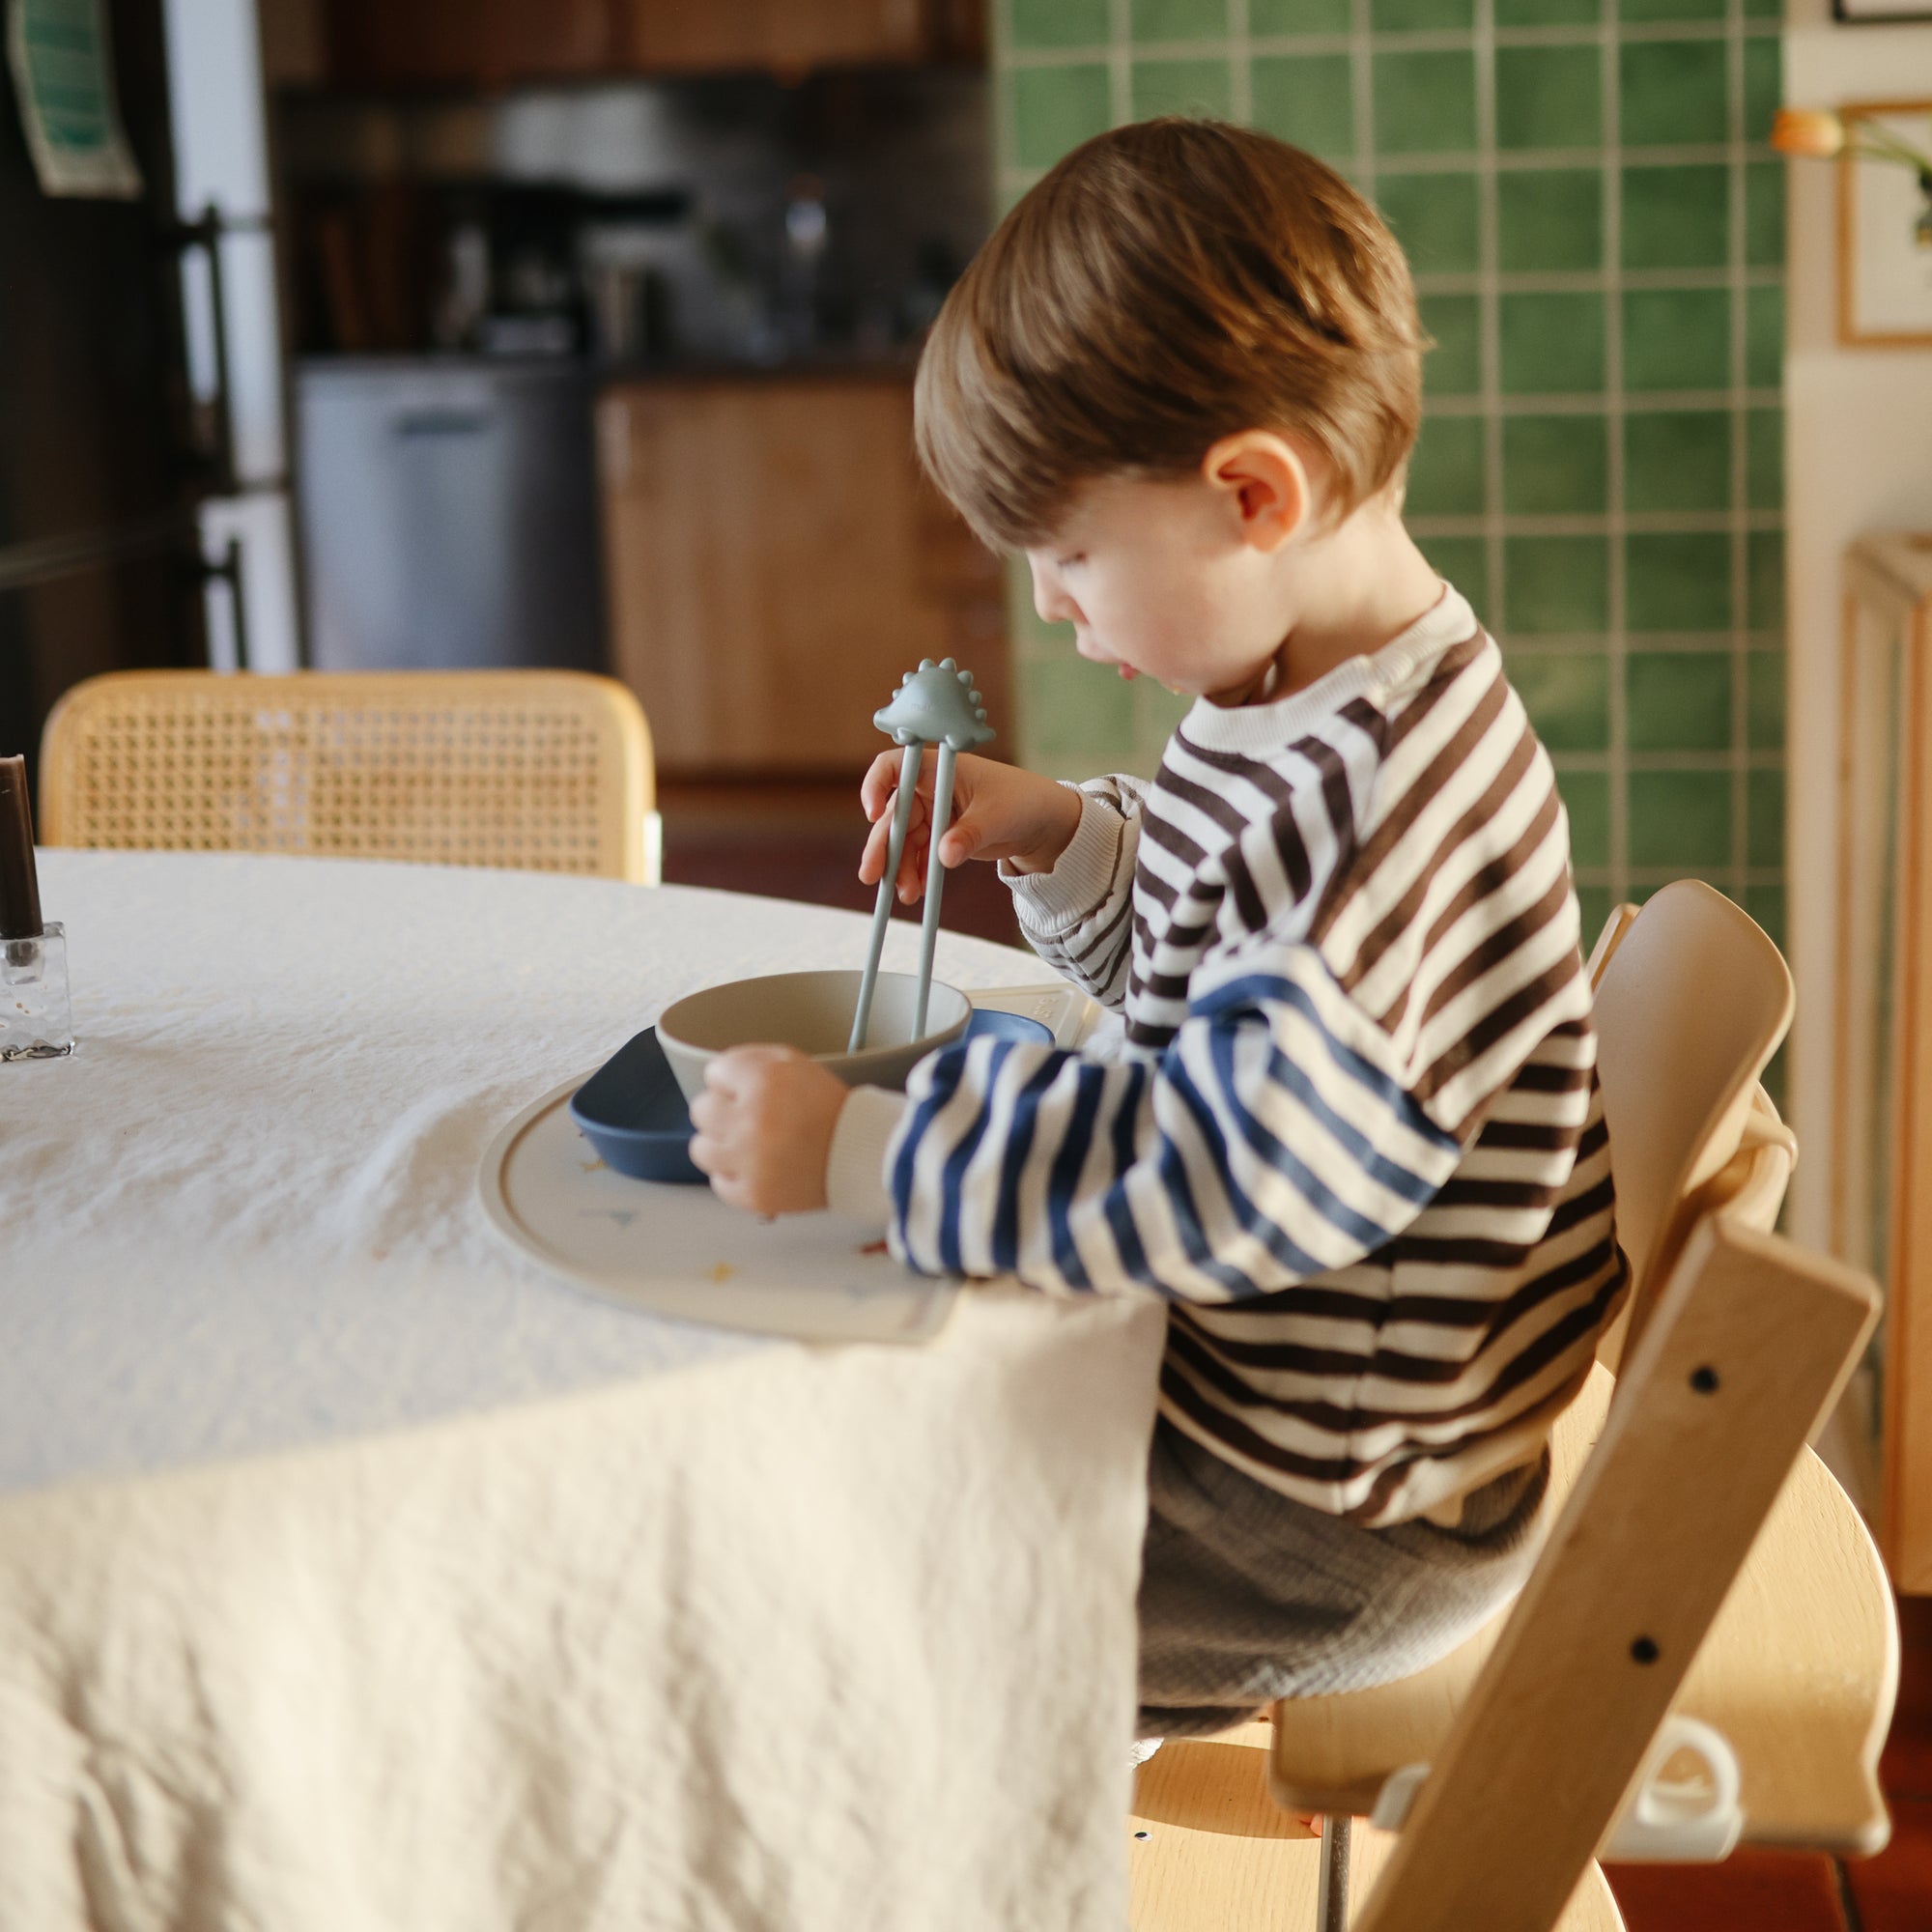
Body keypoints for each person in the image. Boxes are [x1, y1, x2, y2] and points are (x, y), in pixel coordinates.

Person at [688, 118, 1628, 1741]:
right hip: (1275, 1413)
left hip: (1319, 1516)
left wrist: (869, 1156)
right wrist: (1059, 838)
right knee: (842, 1448)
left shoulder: (1384, 810)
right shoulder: (1303, 691)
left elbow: (1218, 1171)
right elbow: (1207, 964)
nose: (1052, 604)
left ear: (1253, 492)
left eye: (1070, 554)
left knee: (849, 1611)